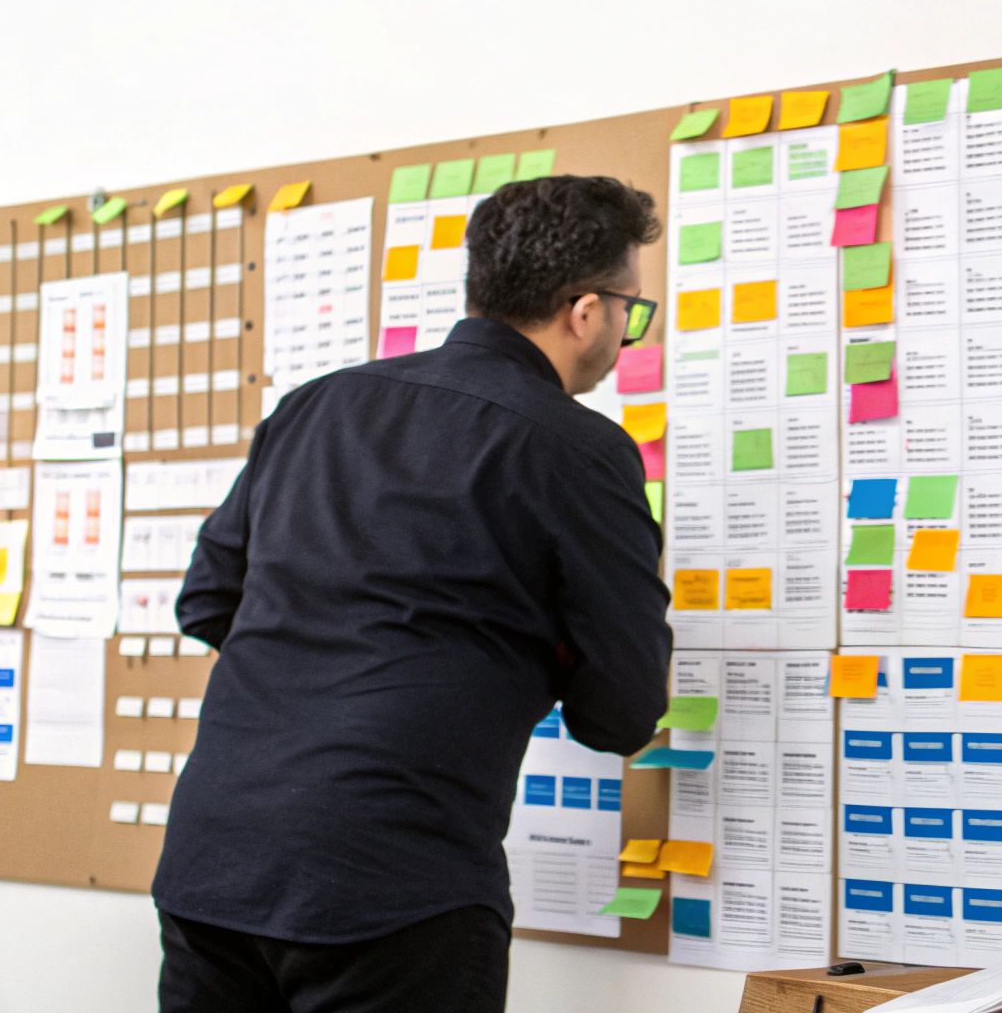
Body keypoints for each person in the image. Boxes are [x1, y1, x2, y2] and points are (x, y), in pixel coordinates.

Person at [152, 175, 673, 1013]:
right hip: (392, 885)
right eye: (629, 309)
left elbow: (208, 602)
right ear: (585, 310)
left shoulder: (316, 406)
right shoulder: (578, 450)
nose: (624, 330)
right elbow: (619, 711)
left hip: (213, 864)